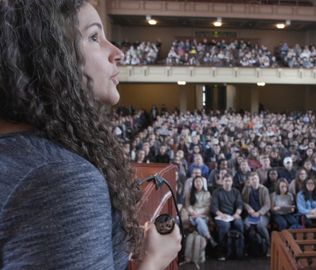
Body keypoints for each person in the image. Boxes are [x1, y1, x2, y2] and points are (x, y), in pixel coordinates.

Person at [0, 1, 181, 269]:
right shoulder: (61, 178)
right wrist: (155, 260)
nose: (118, 52)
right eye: (94, 36)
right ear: (51, 54)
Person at [210, 173, 244, 261]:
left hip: (233, 215)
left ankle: (239, 250)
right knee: (225, 226)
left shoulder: (236, 192)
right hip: (221, 216)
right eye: (225, 181)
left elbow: (240, 204)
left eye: (229, 181)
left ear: (232, 182)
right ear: (222, 182)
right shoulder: (217, 192)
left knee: (239, 224)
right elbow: (213, 207)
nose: (227, 183)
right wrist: (221, 214)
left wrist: (237, 213)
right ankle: (222, 251)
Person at [241, 172, 271, 252]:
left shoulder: (264, 189)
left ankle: (268, 246)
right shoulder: (246, 189)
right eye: (252, 179)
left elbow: (267, 205)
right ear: (249, 181)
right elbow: (243, 202)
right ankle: (247, 247)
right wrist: (249, 209)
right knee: (245, 225)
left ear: (259, 179)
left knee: (260, 225)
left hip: (262, 214)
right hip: (251, 214)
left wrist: (259, 213)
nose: (254, 181)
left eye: (256, 179)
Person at [184, 176, 217, 247]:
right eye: (196, 182)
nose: (198, 183)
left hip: (204, 215)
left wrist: (198, 213)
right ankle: (209, 238)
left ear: (202, 183)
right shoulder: (189, 194)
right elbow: (187, 206)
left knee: (199, 221)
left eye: (199, 181)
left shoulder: (207, 193)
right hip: (192, 216)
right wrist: (193, 212)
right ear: (193, 184)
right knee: (198, 219)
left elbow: (208, 207)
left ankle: (204, 242)